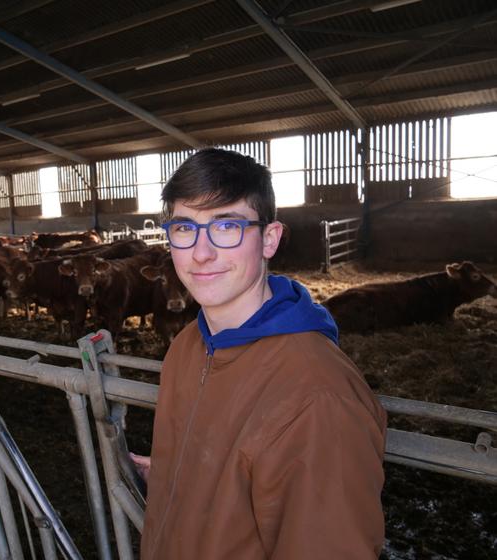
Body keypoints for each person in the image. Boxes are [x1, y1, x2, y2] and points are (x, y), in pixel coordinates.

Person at [131, 148, 387, 559]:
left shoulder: (318, 397)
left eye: (227, 226)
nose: (201, 252)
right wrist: (176, 473)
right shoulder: (187, 348)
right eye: (184, 228)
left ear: (270, 239)